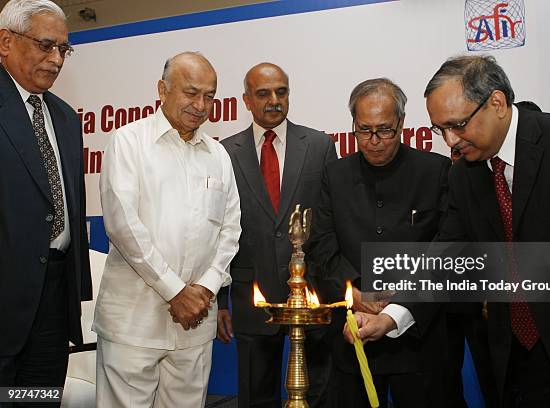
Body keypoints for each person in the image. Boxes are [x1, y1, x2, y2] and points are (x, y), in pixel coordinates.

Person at [423, 55, 550, 407]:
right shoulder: (464, 174)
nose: (450, 140)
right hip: (511, 363)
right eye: (440, 129)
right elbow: (448, 251)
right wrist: (392, 305)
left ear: (496, 102)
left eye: (458, 124)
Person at [94, 52, 241, 407]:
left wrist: (205, 288)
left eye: (209, 96)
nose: (201, 105)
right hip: (134, 324)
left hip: (195, 324)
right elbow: (123, 226)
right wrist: (176, 292)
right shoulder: (128, 141)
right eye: (191, 93)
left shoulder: (218, 155)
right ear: (162, 89)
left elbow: (230, 228)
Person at [306, 78, 455, 407]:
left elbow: (445, 251)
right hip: (353, 335)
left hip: (420, 341)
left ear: (401, 123)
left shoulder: (436, 171)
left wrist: (397, 307)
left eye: (384, 130)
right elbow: (322, 246)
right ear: (353, 125)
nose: (374, 141)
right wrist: (355, 293)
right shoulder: (336, 175)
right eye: (364, 130)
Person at [218, 62, 337, 407]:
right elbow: (216, 231)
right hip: (250, 294)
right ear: (246, 100)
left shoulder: (319, 145)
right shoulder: (224, 153)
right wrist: (219, 302)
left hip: (312, 294)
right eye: (263, 93)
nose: (274, 100)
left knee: (318, 393)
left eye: (281, 92)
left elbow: (330, 222)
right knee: (256, 397)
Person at [0, 0, 92, 390]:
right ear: (5, 42)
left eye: (63, 49)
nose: (56, 59)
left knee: (37, 399)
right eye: (44, 44)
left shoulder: (67, 118)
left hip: (55, 299)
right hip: (5, 298)